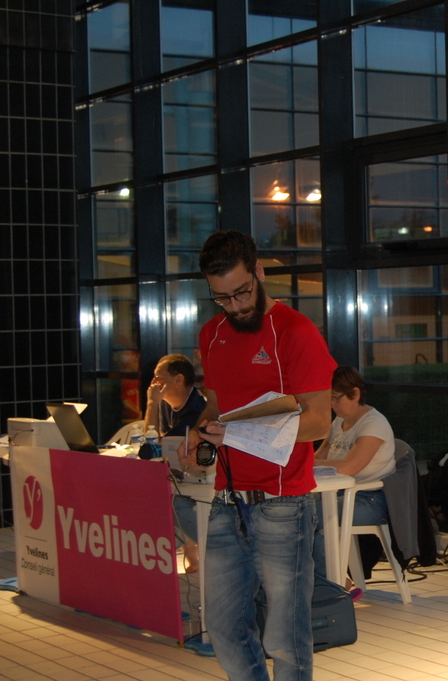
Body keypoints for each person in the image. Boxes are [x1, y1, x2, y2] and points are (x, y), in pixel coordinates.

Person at [183, 230, 336, 681]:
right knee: (224, 627)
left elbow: (319, 423)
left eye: (242, 292)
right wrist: (201, 430)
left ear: (260, 272)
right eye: (222, 298)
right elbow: (216, 405)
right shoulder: (212, 334)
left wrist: (241, 431)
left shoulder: (295, 332)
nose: (234, 306)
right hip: (227, 499)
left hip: (283, 504)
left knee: (285, 638)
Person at [313, 366, 396, 594]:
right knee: (296, 513)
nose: (332, 405)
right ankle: (332, 582)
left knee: (308, 518)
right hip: (340, 495)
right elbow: (318, 457)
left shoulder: (374, 424)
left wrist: (310, 464)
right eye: (328, 399)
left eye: (335, 398)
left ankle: (335, 584)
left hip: (370, 500)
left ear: (355, 394)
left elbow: (350, 467)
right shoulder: (338, 423)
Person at [144, 353, 207, 573]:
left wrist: (152, 403)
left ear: (178, 380)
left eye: (159, 378)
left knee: (168, 499)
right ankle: (190, 550)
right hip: (180, 474)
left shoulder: (196, 409)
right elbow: (156, 443)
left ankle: (205, 547)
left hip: (201, 478)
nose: (153, 384)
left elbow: (153, 446)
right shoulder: (167, 405)